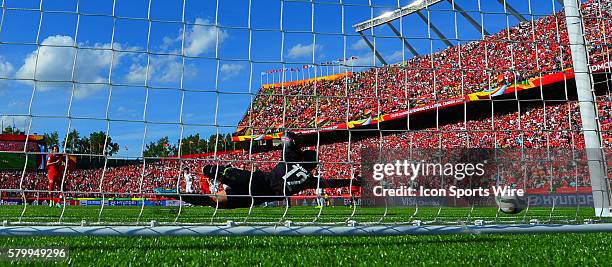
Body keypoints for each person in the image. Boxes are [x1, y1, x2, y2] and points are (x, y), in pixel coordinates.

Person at [171, 132, 360, 209]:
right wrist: (353, 181)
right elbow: (332, 183)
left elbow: (286, 139)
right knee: (214, 202)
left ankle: (216, 171)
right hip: (258, 197)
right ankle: (178, 195)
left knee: (225, 175)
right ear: (314, 166)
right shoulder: (310, 180)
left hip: (257, 180)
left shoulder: (291, 159)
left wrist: (296, 142)